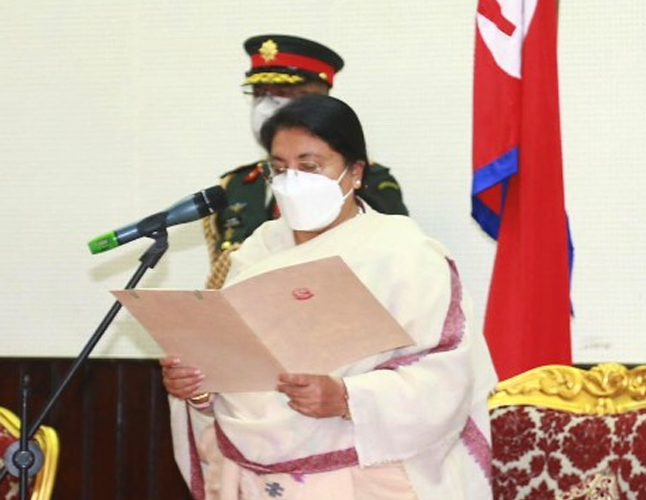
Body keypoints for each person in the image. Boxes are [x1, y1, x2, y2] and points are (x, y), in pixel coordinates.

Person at [162, 94, 497, 499]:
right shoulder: (256, 251)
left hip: (368, 473)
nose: (292, 181)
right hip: (254, 475)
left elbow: (444, 376)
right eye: (280, 168)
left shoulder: (404, 253)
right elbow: (234, 363)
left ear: (355, 172)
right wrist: (199, 389)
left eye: (309, 166)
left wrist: (347, 398)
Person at [205, 34, 408, 289]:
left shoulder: (377, 194)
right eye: (259, 94)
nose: (266, 107)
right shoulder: (240, 193)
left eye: (282, 93)